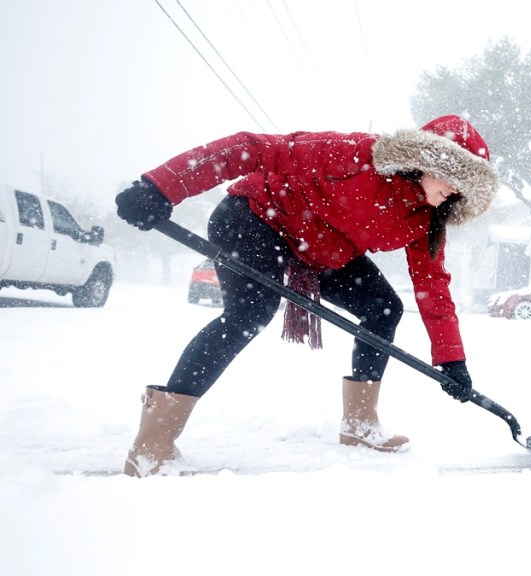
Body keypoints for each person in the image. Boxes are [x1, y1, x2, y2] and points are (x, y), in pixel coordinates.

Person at [115, 115, 498, 477]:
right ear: (426, 160)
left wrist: (452, 360)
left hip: (317, 248)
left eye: (464, 189)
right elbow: (248, 148)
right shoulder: (356, 155)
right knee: (249, 314)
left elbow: (433, 287)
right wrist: (162, 186)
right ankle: (153, 444)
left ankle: (360, 424)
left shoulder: (426, 218)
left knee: (383, 308)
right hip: (254, 217)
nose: (455, 192)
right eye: (453, 178)